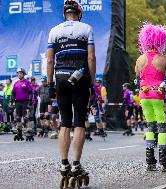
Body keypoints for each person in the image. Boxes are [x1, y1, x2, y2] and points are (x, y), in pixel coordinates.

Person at [47, 0, 95, 187]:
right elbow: (91, 57)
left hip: (60, 78)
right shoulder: (86, 28)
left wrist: (50, 83)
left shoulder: (54, 31)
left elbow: (50, 61)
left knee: (64, 123)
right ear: (78, 13)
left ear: (65, 13)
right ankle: (75, 165)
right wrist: (92, 83)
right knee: (79, 123)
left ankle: (63, 163)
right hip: (80, 79)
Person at [135, 23, 166, 172]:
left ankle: (150, 159)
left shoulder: (139, 59)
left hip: (144, 96)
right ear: (160, 41)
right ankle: (163, 159)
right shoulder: (163, 59)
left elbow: (137, 79)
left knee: (150, 125)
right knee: (162, 127)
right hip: (158, 96)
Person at [11, 68, 33, 141]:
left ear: (23, 74)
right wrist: (11, 101)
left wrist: (30, 101)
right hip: (18, 102)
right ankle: (19, 133)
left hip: (25, 102)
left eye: (20, 73)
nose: (19, 74)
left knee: (26, 118)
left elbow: (30, 92)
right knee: (18, 118)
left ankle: (29, 132)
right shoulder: (16, 83)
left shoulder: (27, 82)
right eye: (18, 73)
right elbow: (13, 93)